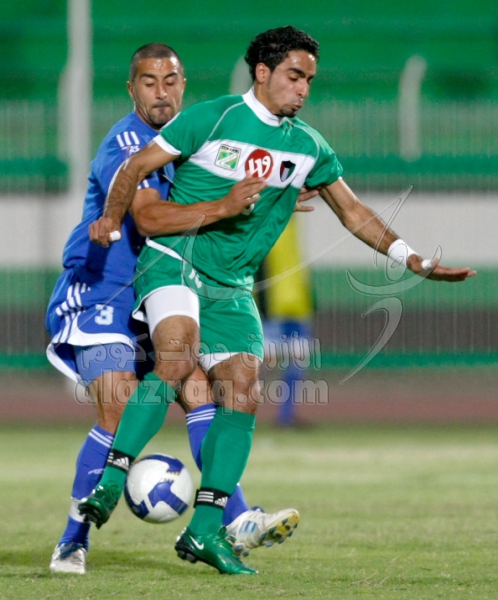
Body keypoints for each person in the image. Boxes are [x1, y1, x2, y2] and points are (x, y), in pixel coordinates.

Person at [81, 27, 476, 575]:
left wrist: (410, 257)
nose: (304, 89)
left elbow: (353, 211)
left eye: (310, 79)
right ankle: (111, 479)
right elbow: (135, 168)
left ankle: (204, 531)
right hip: (175, 261)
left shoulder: (308, 145)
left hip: (232, 283)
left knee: (243, 393)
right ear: (263, 73)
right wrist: (109, 217)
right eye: (295, 76)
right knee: (176, 355)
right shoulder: (213, 117)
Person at [47, 42, 307, 575]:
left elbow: (228, 185)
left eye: (170, 82)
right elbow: (149, 217)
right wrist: (226, 205)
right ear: (132, 89)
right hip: (102, 292)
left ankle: (236, 518)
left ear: (183, 85)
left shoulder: (193, 140)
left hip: (161, 289)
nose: (161, 93)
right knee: (118, 404)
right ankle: (73, 541)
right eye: (149, 83)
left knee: (200, 393)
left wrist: (268, 196)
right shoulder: (129, 143)